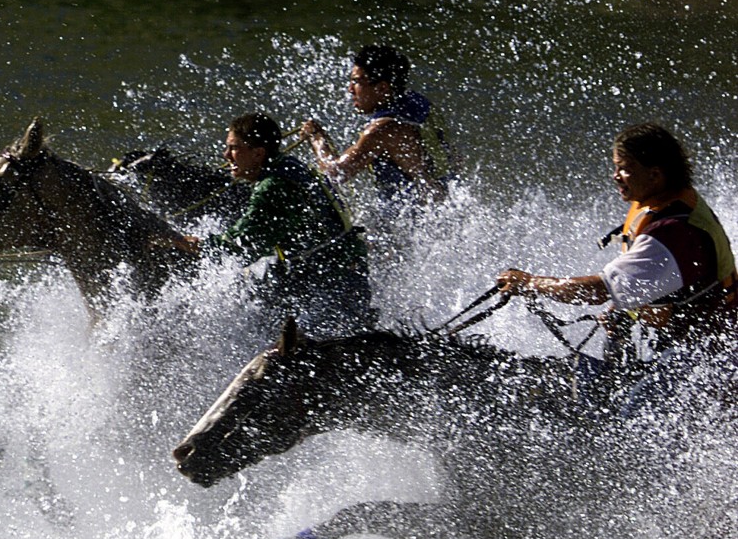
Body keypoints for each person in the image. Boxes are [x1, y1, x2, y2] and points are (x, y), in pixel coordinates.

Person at [497, 122, 737, 416]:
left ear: (655, 174)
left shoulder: (675, 232)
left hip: (711, 357)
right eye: (615, 167)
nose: (616, 177)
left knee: (630, 424)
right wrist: (625, 312)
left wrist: (530, 283)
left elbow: (598, 290)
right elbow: (664, 287)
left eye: (624, 168)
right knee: (586, 381)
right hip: (686, 345)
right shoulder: (661, 206)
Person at [169, 112, 375, 336]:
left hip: (331, 289)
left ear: (258, 154)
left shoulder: (274, 186)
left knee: (281, 354)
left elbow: (242, 244)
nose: (226, 155)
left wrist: (186, 243)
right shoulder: (289, 165)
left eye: (234, 148)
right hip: (339, 274)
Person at [299, 44, 458, 211]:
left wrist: (316, 138)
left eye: (356, 82)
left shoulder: (383, 129)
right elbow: (455, 159)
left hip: (416, 222)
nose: (350, 90)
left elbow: (334, 174)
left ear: (382, 87)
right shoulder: (420, 104)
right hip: (448, 207)